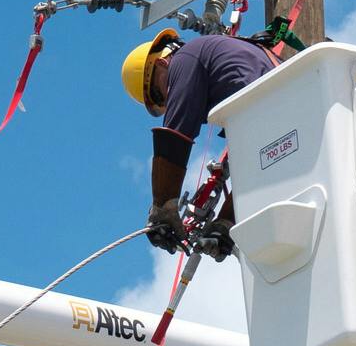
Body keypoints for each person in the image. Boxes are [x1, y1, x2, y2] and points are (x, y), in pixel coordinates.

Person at [119, 27, 279, 258]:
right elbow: (257, 166)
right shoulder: (230, 65)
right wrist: (225, 224)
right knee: (266, 163)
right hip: (289, 110)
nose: (166, 99)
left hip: (272, 108)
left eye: (158, 92)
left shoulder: (185, 58)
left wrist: (163, 207)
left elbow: (175, 135)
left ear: (162, 64)